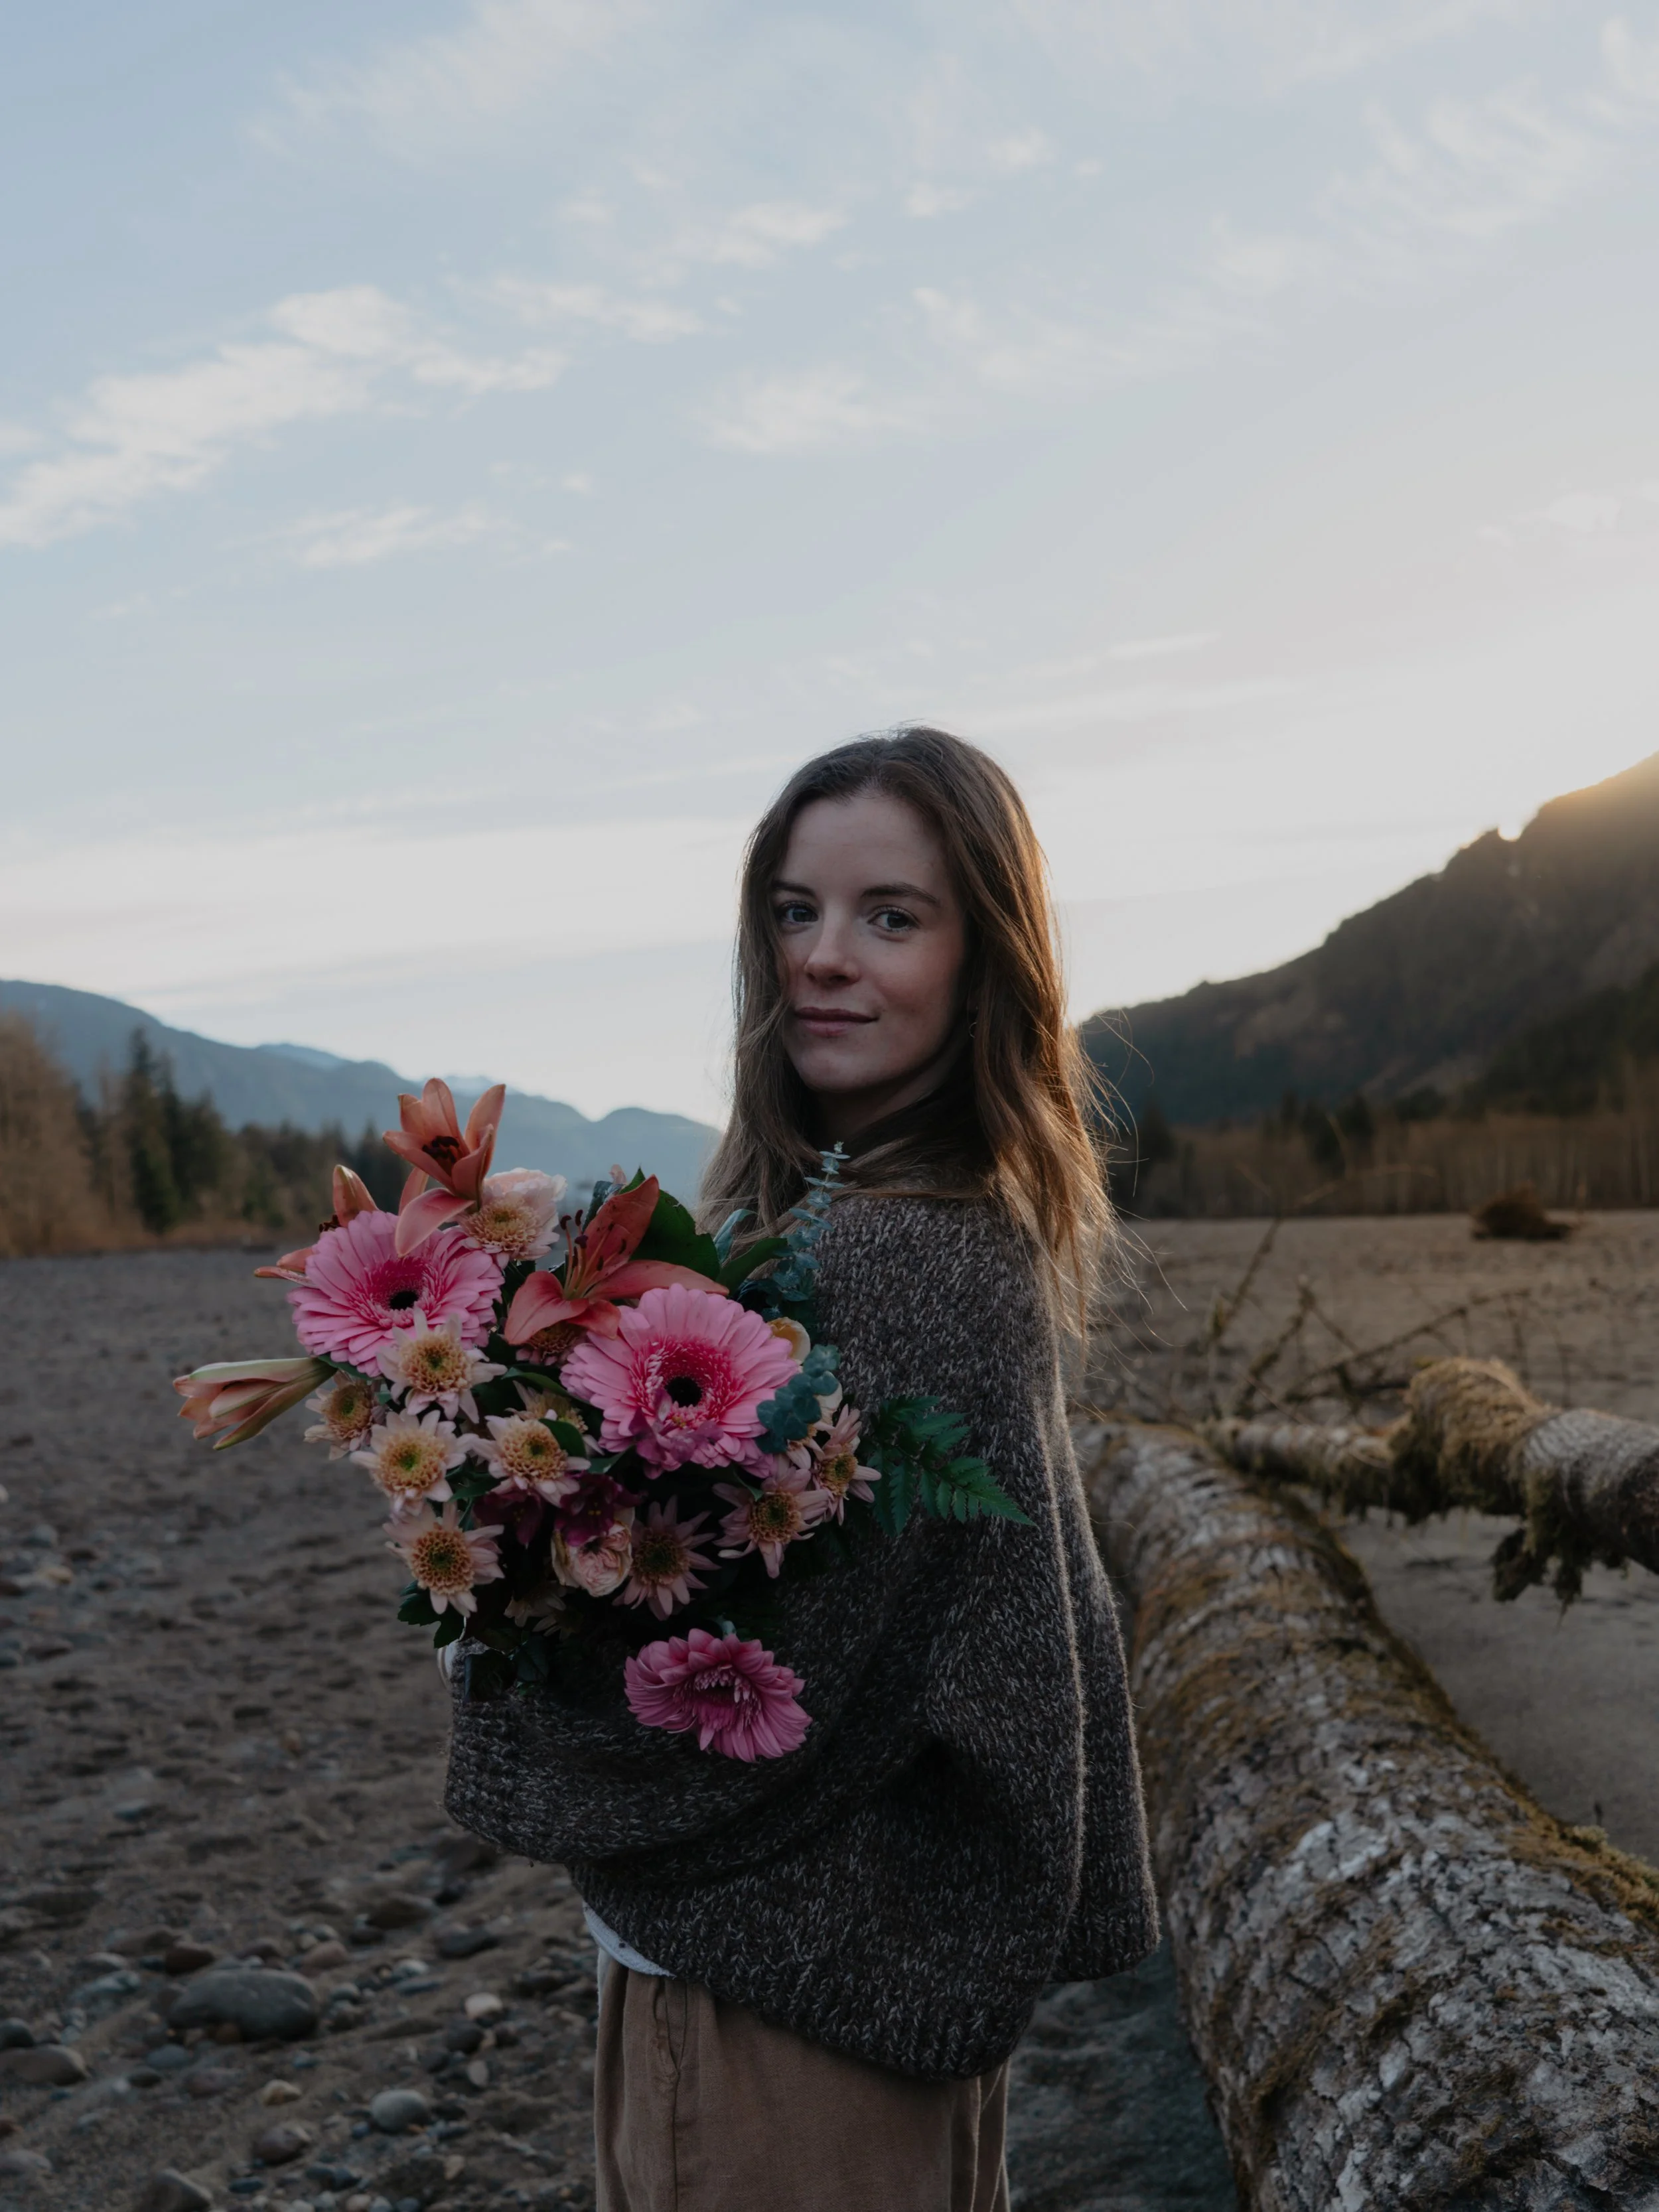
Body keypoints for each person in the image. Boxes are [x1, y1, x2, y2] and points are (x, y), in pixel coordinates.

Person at [445, 728, 1157, 2211]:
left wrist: (512, 1591)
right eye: (792, 909)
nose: (824, 958)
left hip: (783, 1998)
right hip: (843, 1971)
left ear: (984, 957)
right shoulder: (896, 1224)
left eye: (890, 915)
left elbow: (771, 1685)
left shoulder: (894, 1252)